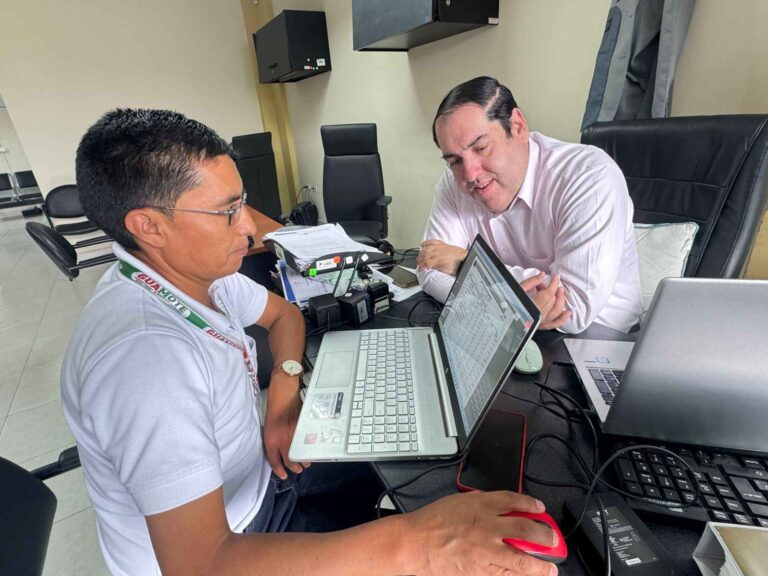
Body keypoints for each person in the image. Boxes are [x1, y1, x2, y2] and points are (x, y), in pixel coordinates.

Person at [61, 108, 559, 576]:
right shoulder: (146, 363)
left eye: (242, 203)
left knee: (425, 468)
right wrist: (419, 543)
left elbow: (285, 316)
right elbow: (199, 564)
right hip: (237, 541)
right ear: (149, 226)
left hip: (259, 477)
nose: (250, 227)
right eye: (227, 212)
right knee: (428, 532)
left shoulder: (193, 275)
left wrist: (282, 396)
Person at [417, 76, 642, 333]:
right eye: (454, 161)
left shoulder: (589, 177)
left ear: (518, 126)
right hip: (505, 330)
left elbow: (573, 310)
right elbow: (429, 269)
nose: (470, 174)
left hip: (602, 338)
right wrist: (513, 311)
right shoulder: (452, 183)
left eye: (481, 148)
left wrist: (465, 264)